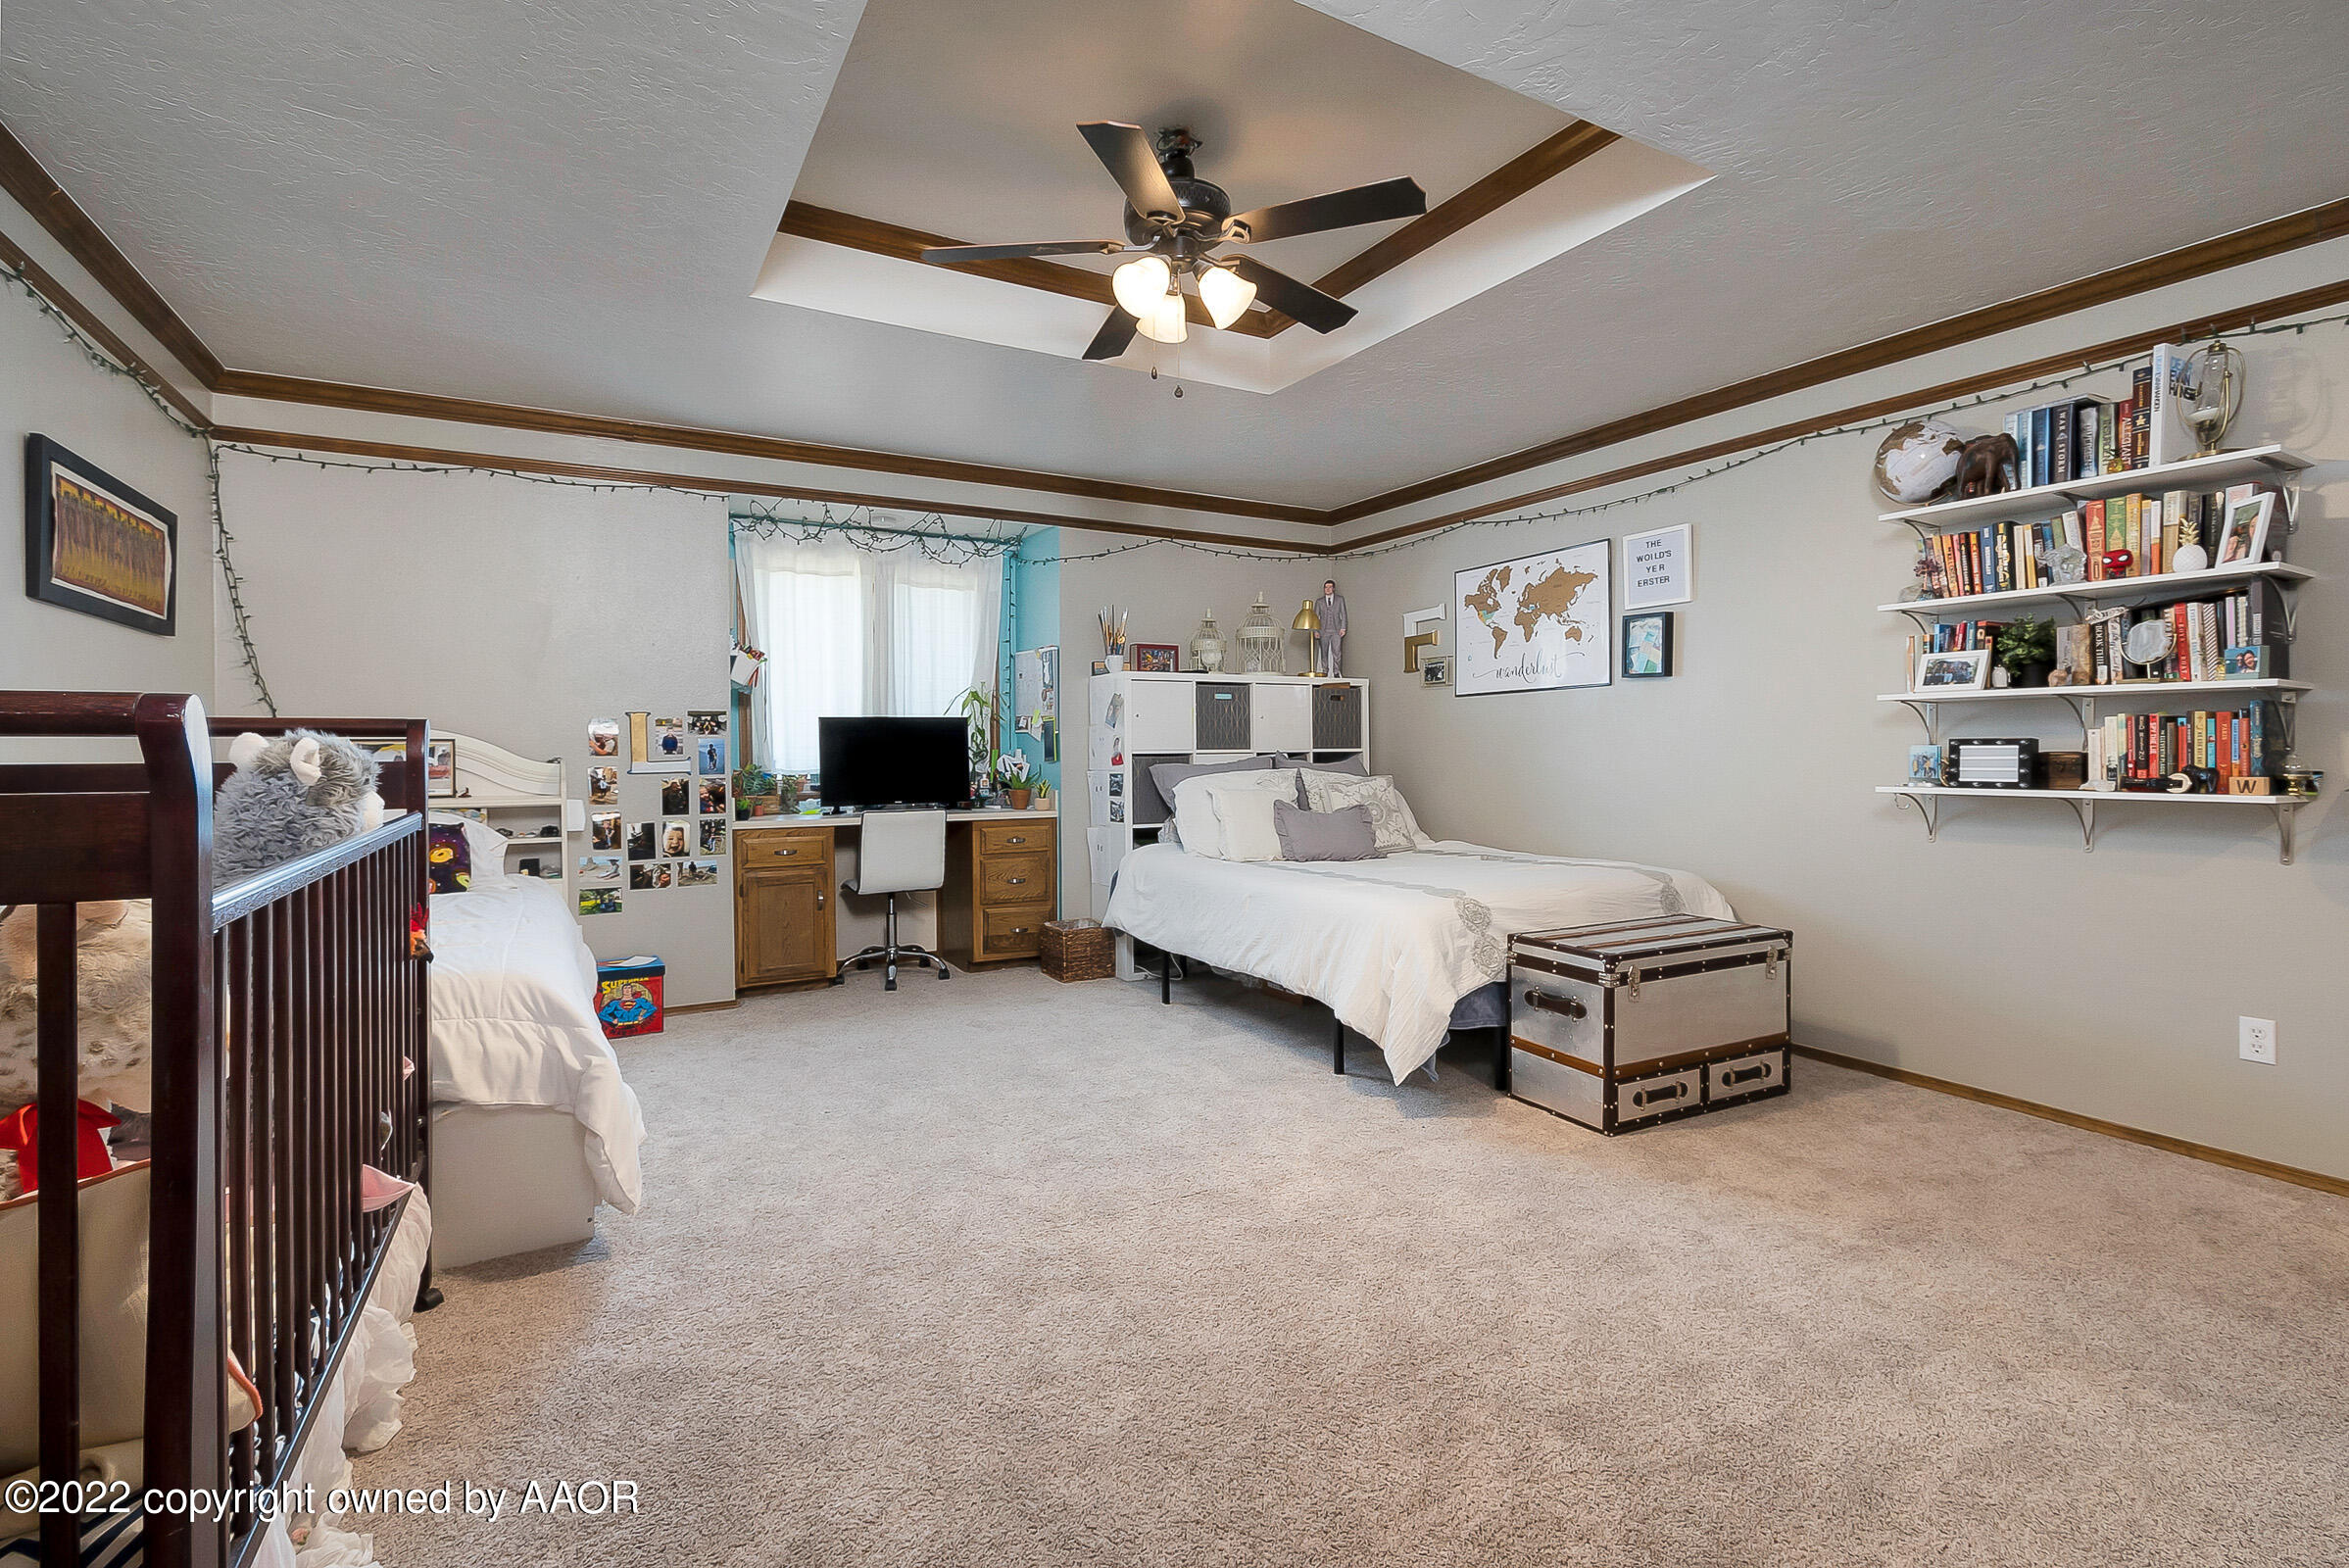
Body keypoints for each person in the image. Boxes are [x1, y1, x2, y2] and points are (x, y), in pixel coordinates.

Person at [1314, 579, 1346, 676]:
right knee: (1324, 652)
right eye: (1326, 587)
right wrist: (1316, 631)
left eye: (1330, 587)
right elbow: (1315, 617)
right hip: (1323, 630)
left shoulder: (1340, 599)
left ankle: (1336, 671)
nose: (1328, 589)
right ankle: (1325, 670)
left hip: (1336, 630)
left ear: (1333, 589)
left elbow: (1343, 614)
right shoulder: (1319, 601)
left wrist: (1343, 628)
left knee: (1337, 652)